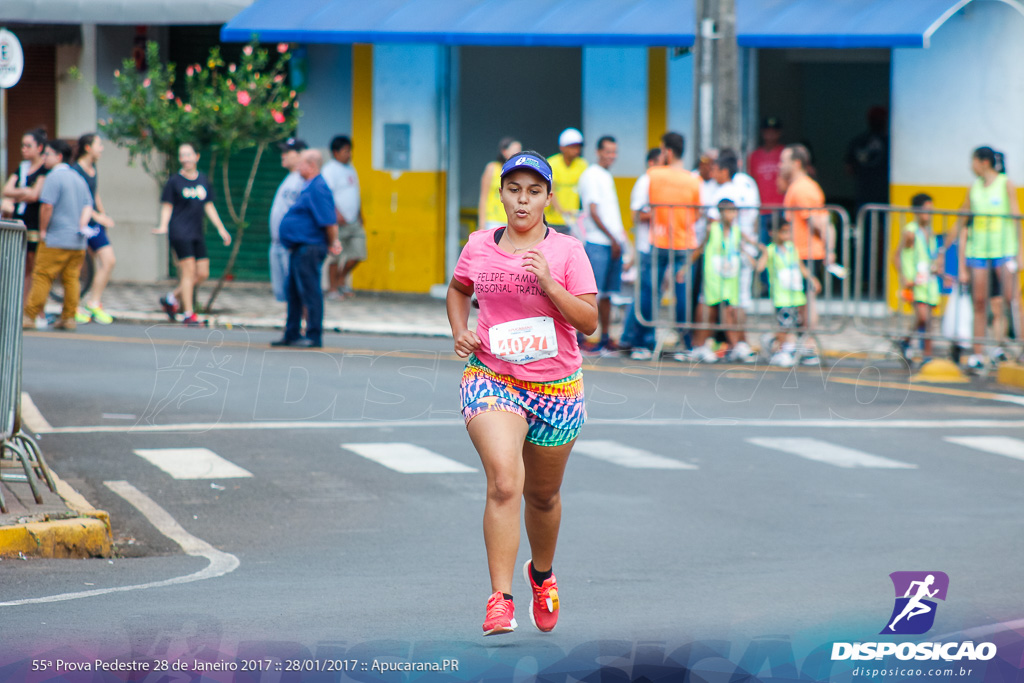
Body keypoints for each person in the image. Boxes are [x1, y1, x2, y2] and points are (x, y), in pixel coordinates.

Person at [445, 150, 597, 636]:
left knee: (543, 496)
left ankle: (542, 574)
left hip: (556, 388)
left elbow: (590, 323)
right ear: (502, 193)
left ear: (549, 198)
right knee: (506, 482)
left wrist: (551, 284)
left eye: (534, 191)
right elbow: (457, 289)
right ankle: (499, 599)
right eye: (515, 190)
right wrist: (459, 330)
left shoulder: (569, 251)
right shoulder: (479, 245)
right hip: (493, 378)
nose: (523, 200)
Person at [628, 131, 702, 360]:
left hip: (658, 241)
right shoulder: (693, 180)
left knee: (650, 292)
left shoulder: (653, 175)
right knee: (684, 296)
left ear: (667, 152)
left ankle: (643, 343)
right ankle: (685, 343)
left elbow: (639, 210)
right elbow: (698, 213)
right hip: (684, 243)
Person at [955, 146, 1023, 370]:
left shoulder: (1005, 184)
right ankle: (978, 353)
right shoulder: (973, 188)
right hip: (979, 252)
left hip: (1003, 250)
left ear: (983, 162)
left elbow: (1016, 216)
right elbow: (961, 219)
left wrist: (1020, 251)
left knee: (1010, 300)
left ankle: (1013, 348)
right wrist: (944, 249)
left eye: (972, 161)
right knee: (980, 303)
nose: (970, 166)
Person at [154, 142, 232, 326]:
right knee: (188, 273)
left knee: (203, 273)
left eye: (189, 155)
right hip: (179, 232)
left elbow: (209, 205)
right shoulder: (174, 181)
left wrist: (221, 228)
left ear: (197, 157)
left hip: (197, 232)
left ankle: (171, 298)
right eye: (182, 155)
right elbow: (167, 206)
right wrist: (163, 225)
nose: (185, 159)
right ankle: (189, 314)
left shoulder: (203, 180)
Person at [272, 149, 342, 348]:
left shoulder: (319, 187)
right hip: (298, 247)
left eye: (301, 163)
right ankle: (292, 332)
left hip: (310, 247)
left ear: (311, 165)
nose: (298, 167)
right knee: (292, 291)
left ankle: (314, 334)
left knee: (310, 291)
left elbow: (329, 221)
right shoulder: (307, 185)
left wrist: (333, 242)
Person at [21, 139, 93, 331]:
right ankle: (68, 318)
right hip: (77, 240)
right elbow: (88, 204)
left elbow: (47, 206)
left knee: (42, 275)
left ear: (59, 156)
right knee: (71, 279)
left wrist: (43, 230)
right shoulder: (78, 178)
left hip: (56, 238)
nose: (45, 158)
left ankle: (29, 316)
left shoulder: (53, 177)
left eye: (48, 154)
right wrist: (81, 224)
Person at [686, 199, 764, 363]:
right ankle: (700, 345)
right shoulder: (712, 229)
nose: (732, 215)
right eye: (729, 211)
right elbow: (700, 248)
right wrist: (685, 268)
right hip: (713, 278)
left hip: (729, 279)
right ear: (721, 213)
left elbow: (746, 246)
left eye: (734, 211)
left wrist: (756, 259)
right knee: (708, 312)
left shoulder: (736, 231)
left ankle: (737, 345)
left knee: (731, 313)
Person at [707, 149, 761, 361]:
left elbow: (713, 220)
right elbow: (755, 216)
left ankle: (737, 343)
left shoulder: (724, 192)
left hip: (729, 252)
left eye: (716, 169)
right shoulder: (748, 184)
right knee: (740, 300)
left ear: (725, 170)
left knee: (728, 301)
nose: (713, 173)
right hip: (745, 249)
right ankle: (738, 342)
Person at [780, 143, 834, 353]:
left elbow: (821, 223)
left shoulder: (802, 189)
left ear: (796, 163)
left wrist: (829, 250)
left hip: (805, 253)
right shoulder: (798, 186)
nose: (779, 165)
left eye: (783, 161)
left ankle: (808, 344)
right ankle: (802, 343)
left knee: (806, 301)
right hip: (800, 253)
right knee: (800, 300)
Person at [577, 135, 626, 353]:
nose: (611, 156)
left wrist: (619, 240)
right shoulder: (591, 175)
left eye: (614, 152)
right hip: (598, 243)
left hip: (612, 243)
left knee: (607, 295)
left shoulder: (605, 176)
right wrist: (613, 239)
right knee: (590, 295)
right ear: (598, 152)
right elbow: (593, 212)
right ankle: (581, 337)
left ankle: (605, 338)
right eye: (608, 151)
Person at [756, 221, 820, 367]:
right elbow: (760, 267)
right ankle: (782, 350)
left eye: (788, 232)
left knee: (800, 322)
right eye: (783, 232)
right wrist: (764, 253)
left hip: (796, 294)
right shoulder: (771, 250)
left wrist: (812, 279)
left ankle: (784, 344)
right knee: (785, 325)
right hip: (782, 296)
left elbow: (801, 266)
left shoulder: (792, 248)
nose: (787, 235)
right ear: (773, 233)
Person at [619, 148, 663, 352]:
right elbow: (636, 214)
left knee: (650, 294)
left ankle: (632, 337)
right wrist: (660, 213)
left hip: (658, 245)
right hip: (646, 246)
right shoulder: (645, 182)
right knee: (646, 294)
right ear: (653, 163)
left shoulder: (658, 182)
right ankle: (635, 338)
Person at [70, 133, 117, 324]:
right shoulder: (75, 171)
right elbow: (78, 201)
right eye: (99, 144)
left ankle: (93, 302)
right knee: (76, 267)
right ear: (88, 147)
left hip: (95, 223)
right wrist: (97, 216)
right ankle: (72, 307)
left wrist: (102, 214)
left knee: (108, 261)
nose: (102, 148)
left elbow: (94, 193)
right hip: (81, 222)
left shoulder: (93, 167)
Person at [893, 193, 943, 361]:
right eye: (925, 210)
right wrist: (903, 277)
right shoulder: (910, 232)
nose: (928, 214)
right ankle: (907, 340)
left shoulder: (931, 234)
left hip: (929, 282)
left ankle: (926, 354)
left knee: (929, 321)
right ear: (916, 211)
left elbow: (931, 258)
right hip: (915, 282)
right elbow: (897, 255)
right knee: (923, 317)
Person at [3, 129, 49, 299]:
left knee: (34, 266)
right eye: (22, 146)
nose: (24, 149)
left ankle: (34, 309)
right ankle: (21, 306)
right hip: (19, 221)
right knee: (20, 267)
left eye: (28, 146)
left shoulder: (44, 169)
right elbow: (6, 189)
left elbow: (35, 195)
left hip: (35, 224)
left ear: (39, 147)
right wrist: (24, 191)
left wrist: (19, 194)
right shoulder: (22, 168)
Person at [322, 135, 366, 299]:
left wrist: (361, 214)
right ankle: (333, 289)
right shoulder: (329, 170)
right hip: (336, 223)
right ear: (335, 152)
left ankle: (341, 279)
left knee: (358, 254)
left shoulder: (350, 168)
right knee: (335, 257)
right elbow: (326, 196)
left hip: (354, 221)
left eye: (350, 151)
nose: (349, 154)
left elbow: (355, 192)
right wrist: (336, 214)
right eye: (346, 151)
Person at [269, 138, 308, 303]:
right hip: (277, 243)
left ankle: (303, 326)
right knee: (284, 294)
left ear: (300, 155)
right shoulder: (290, 178)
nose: (282, 155)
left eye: (287, 152)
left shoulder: (304, 180)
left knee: (296, 291)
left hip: (290, 245)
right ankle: (292, 326)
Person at [748, 116, 785, 245]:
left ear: (779, 133)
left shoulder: (784, 153)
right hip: (762, 210)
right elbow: (751, 182)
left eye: (774, 131)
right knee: (763, 247)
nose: (770, 134)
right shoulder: (754, 156)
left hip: (781, 210)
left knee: (781, 247)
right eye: (767, 131)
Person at [845, 106, 890, 211]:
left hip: (863, 193)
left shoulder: (857, 141)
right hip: (883, 194)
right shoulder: (889, 143)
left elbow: (849, 169)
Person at [545, 128, 588, 235]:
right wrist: (562, 211)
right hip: (552, 220)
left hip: (573, 221)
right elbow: (550, 189)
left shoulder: (583, 165)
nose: (576, 150)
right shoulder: (552, 163)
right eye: (572, 147)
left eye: (578, 147)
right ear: (562, 147)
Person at [478, 137, 522, 232]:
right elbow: (483, 197)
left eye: (520, 150)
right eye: (515, 150)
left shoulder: (520, 172)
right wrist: (481, 224)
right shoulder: (492, 168)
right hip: (493, 220)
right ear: (504, 152)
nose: (518, 153)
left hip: (513, 220)